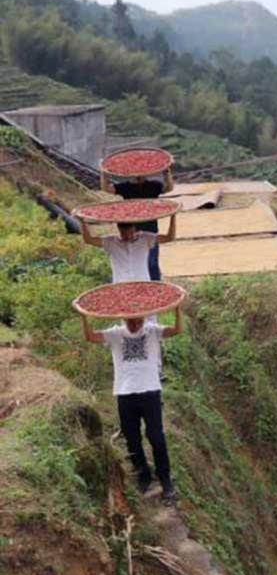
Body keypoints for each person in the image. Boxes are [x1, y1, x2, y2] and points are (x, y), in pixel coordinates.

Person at [81, 305, 182, 501]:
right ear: (123, 319)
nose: (135, 325)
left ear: (144, 318)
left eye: (139, 321)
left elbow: (176, 330)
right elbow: (90, 337)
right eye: (131, 321)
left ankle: (165, 479)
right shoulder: (115, 334)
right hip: (125, 392)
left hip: (150, 390)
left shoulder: (152, 330)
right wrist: (84, 317)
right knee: (132, 437)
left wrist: (177, 309)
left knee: (156, 436)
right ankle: (143, 474)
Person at [100, 166, 174, 281]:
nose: (139, 175)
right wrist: (104, 172)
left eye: (142, 172)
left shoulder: (153, 185)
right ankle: (135, 285)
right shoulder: (126, 187)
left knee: (152, 262)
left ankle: (155, 286)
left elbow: (169, 188)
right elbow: (106, 188)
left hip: (150, 229)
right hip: (130, 231)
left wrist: (167, 172)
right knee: (132, 261)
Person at [80, 214, 176, 283]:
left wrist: (173, 216)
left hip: (143, 284)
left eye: (130, 233)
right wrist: (82, 221)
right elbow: (88, 239)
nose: (128, 236)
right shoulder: (111, 242)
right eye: (124, 234)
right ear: (119, 231)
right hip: (120, 285)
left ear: (134, 229)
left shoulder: (145, 238)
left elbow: (169, 237)